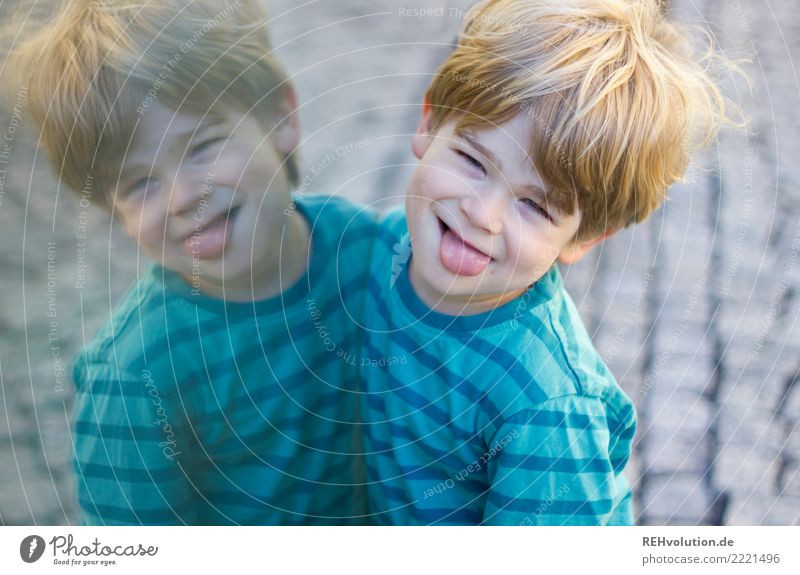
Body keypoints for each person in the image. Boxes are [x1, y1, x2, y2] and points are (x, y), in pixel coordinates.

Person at [361, 0, 731, 525]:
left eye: (533, 205)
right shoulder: (377, 252)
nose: (482, 214)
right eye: (472, 160)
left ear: (583, 238)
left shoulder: (548, 407)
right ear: (429, 122)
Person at [7, 0, 374, 524]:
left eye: (201, 146)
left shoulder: (362, 250)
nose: (181, 198)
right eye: (140, 184)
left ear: (281, 118)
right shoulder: (136, 375)